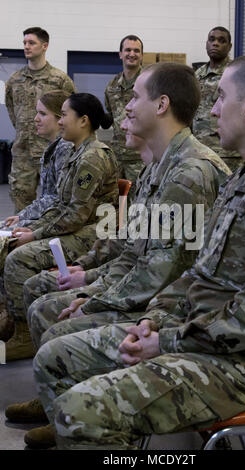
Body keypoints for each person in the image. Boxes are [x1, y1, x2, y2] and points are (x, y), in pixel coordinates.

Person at [25, 54, 245, 450]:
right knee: (56, 358)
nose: (214, 109)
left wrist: (165, 339)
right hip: (198, 334)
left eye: (221, 97)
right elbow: (197, 275)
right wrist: (154, 322)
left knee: (77, 410)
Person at [5, 63, 231, 439]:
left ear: (161, 105)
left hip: (169, 306)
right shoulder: (160, 167)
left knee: (54, 314)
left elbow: (162, 274)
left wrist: (93, 298)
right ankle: (60, 405)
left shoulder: (190, 172)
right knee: (49, 304)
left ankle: (74, 413)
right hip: (156, 294)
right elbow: (131, 249)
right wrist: (91, 281)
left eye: (135, 98)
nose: (125, 109)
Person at [1, 93, 119, 361]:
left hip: (96, 233)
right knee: (12, 240)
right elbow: (59, 205)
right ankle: (12, 319)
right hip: (80, 226)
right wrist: (30, 226)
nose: (61, 121)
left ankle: (23, 337)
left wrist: (36, 233)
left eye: (64, 115)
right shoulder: (76, 152)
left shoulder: (92, 157)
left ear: (84, 121)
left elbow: (76, 215)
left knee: (19, 258)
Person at [0, 89, 72, 340]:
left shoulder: (65, 151)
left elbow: (58, 201)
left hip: (64, 225)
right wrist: (22, 216)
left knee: (9, 249)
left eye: (42, 114)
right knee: (3, 233)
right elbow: (46, 197)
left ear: (58, 118)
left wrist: (27, 222)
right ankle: (6, 314)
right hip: (50, 217)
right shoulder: (52, 149)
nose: (35, 119)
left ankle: (19, 329)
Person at [5, 27, 76, 212]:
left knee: (54, 203)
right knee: (20, 204)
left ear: (44, 46)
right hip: (23, 154)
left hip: (52, 151)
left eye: (32, 43)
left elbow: (72, 112)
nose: (26, 47)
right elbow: (13, 112)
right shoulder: (14, 80)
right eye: (24, 43)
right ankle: (20, 240)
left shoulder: (60, 80)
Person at [192, 26, 242, 171]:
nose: (215, 44)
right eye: (212, 39)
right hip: (200, 150)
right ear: (206, 43)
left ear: (230, 46)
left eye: (222, 41)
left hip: (226, 153)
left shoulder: (237, 73)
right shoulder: (197, 75)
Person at [101, 34, 145, 200]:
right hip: (118, 158)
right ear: (120, 54)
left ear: (141, 55)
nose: (131, 54)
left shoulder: (150, 83)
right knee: (116, 204)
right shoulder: (112, 86)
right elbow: (111, 117)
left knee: (140, 204)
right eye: (127, 50)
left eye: (136, 50)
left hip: (141, 158)